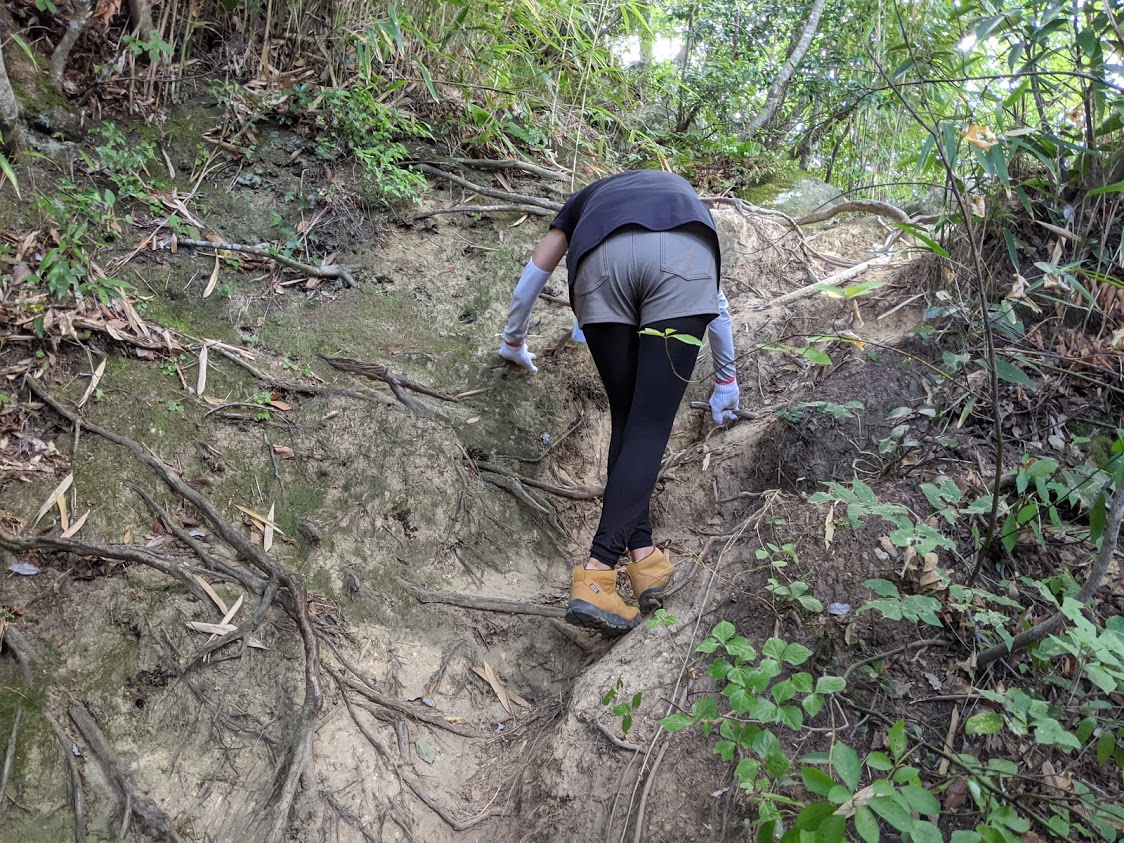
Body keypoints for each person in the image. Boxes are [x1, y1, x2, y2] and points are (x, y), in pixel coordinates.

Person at [497, 169, 740, 635]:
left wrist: (513, 339)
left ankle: (643, 558)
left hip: (598, 268)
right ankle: (597, 573)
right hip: (683, 259)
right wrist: (726, 376)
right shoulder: (681, 198)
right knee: (649, 424)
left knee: (631, 419)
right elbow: (717, 299)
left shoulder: (588, 200)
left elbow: (537, 270)